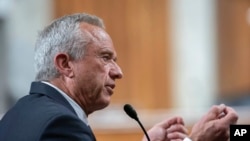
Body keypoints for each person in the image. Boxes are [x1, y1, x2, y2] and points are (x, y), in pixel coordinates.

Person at [0, 13, 238, 141]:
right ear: (65, 64)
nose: (118, 71)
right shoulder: (61, 126)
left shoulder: (16, 114)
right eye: (105, 58)